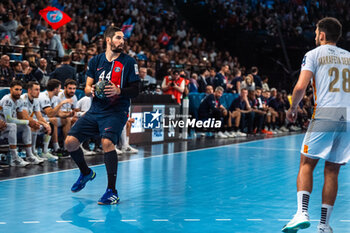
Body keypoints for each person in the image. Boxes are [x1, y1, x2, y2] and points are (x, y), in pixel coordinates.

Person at [282, 17, 349, 233]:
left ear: (321, 35)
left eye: (316, 32)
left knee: (306, 163)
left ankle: (301, 212)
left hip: (327, 113)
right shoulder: (349, 56)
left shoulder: (313, 54)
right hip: (348, 117)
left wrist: (293, 108)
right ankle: (324, 225)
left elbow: (301, 86)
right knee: (332, 170)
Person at [65, 26, 140, 205]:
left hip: (117, 111)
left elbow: (136, 90)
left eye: (123, 39)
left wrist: (118, 90)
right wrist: (91, 89)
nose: (122, 41)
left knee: (107, 142)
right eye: (118, 38)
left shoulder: (129, 62)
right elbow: (87, 86)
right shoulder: (95, 60)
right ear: (108, 40)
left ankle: (112, 191)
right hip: (96, 110)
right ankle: (86, 173)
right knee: (70, 142)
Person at [0, 80, 41, 166]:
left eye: (20, 90)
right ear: (11, 90)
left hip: (6, 125)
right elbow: (9, 120)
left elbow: (20, 116)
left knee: (26, 126)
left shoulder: (20, 100)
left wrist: (31, 122)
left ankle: (29, 155)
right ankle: (15, 158)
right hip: (3, 125)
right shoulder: (7, 100)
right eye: (16, 89)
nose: (19, 92)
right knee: (13, 126)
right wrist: (28, 121)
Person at [21, 81, 57, 161]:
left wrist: (46, 124)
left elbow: (39, 116)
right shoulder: (23, 99)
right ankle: (32, 152)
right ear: (29, 90)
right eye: (36, 90)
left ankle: (44, 152)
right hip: (20, 121)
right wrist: (41, 123)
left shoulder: (36, 100)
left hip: (28, 121)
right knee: (34, 125)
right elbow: (25, 117)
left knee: (50, 124)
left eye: (39, 90)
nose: (39, 92)